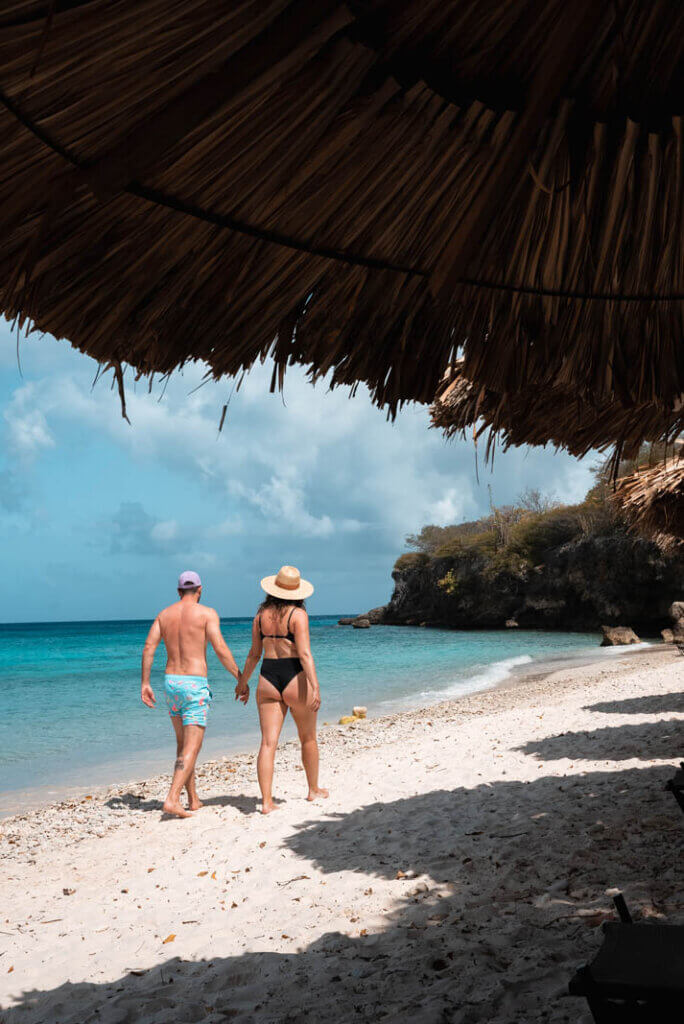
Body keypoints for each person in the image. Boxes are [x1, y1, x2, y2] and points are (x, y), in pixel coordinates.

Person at [141, 570, 243, 818]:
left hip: (171, 683)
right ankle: (173, 799)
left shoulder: (164, 615)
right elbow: (219, 648)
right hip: (194, 684)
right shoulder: (207, 614)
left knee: (183, 745)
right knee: (192, 747)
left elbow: (149, 646)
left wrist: (145, 682)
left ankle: (193, 799)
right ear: (199, 590)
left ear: (178, 591)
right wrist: (240, 678)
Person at [236, 565, 328, 814]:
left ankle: (266, 802)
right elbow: (305, 654)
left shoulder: (259, 617)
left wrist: (242, 683)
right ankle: (313, 790)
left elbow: (254, 655)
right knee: (308, 737)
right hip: (295, 676)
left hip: (267, 677)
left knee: (268, 743)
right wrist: (315, 686)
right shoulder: (297, 615)